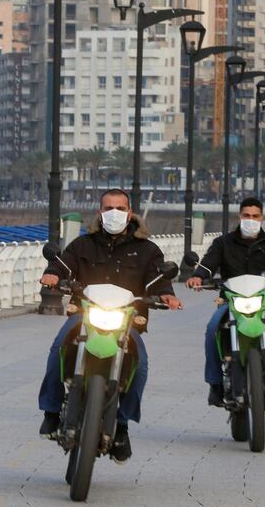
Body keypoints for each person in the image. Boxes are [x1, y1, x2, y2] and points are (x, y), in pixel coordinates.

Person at [38, 188, 182, 464]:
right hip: (85, 314)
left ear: (130, 213)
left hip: (127, 320)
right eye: (108, 208)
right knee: (59, 347)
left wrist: (167, 294)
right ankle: (51, 412)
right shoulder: (82, 245)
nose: (114, 213)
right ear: (99, 212)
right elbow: (64, 265)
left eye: (120, 208)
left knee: (141, 365)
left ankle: (123, 427)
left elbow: (158, 277)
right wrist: (52, 274)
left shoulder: (148, 249)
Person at [186, 197, 265, 407]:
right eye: (246, 215)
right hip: (230, 302)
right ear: (239, 217)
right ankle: (215, 384)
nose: (251, 219)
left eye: (255, 216)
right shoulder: (223, 242)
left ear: (262, 218)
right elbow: (207, 265)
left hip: (262, 302)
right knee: (212, 329)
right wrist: (198, 276)